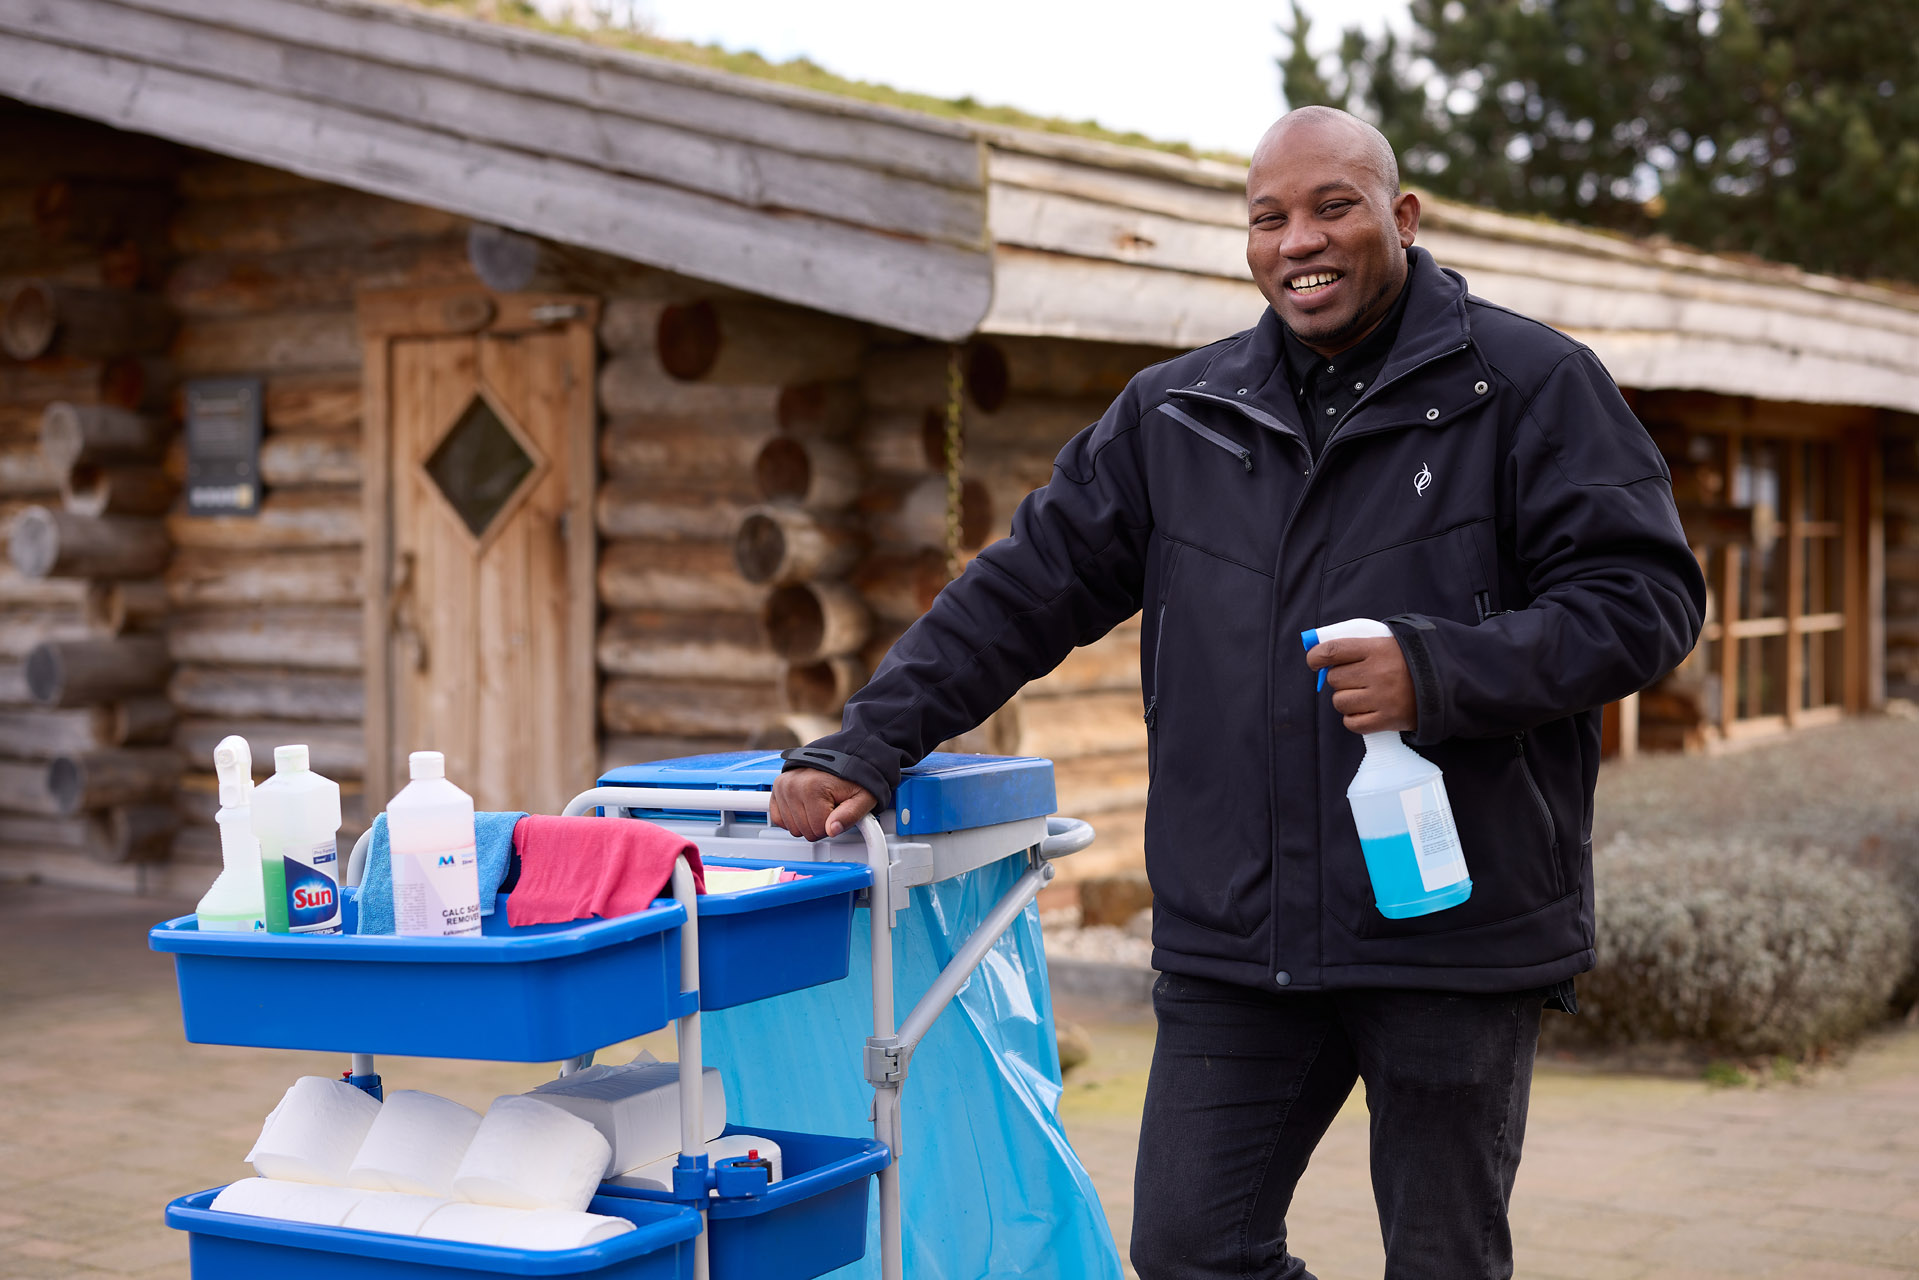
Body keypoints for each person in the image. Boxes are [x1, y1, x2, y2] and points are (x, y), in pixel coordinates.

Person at [771, 106, 1706, 1279]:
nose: (1295, 239)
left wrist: (1437, 669)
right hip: (1239, 935)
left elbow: (1643, 601)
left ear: (1401, 216)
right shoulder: (1177, 412)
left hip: (1450, 929)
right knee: (1187, 1248)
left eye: (1330, 207)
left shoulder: (1528, 384)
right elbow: (1021, 589)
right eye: (1267, 217)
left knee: (1442, 1261)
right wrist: (865, 742)